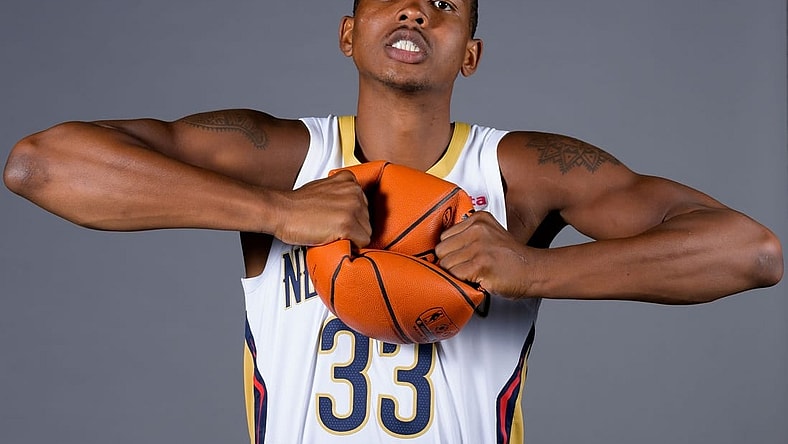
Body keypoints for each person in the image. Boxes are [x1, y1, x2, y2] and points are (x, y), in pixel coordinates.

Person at [3, 1, 783, 443]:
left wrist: (536, 271)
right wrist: (278, 212)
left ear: (469, 55)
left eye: (445, 3)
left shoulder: (523, 173)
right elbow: (40, 165)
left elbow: (750, 252)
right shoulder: (281, 159)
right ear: (349, 33)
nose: (417, 8)